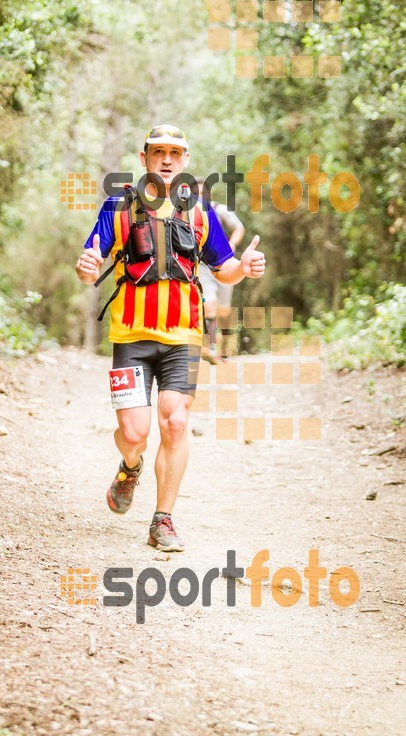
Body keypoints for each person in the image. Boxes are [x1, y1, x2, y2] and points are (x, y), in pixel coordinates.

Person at [75, 125, 265, 551]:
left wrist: (245, 267)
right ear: (143, 159)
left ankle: (163, 520)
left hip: (184, 336)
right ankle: (130, 466)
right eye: (157, 152)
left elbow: (224, 268)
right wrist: (86, 268)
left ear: (185, 161)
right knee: (134, 432)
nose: (166, 159)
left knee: (175, 422)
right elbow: (90, 262)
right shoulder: (116, 206)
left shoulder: (200, 212)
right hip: (131, 336)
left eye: (174, 153)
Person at [192, 178, 245, 363]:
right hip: (203, 268)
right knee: (210, 305)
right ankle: (211, 349)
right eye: (195, 193)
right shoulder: (187, 215)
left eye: (202, 193)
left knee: (224, 310)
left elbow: (239, 227)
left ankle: (226, 348)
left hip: (223, 265)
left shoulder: (220, 210)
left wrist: (230, 244)